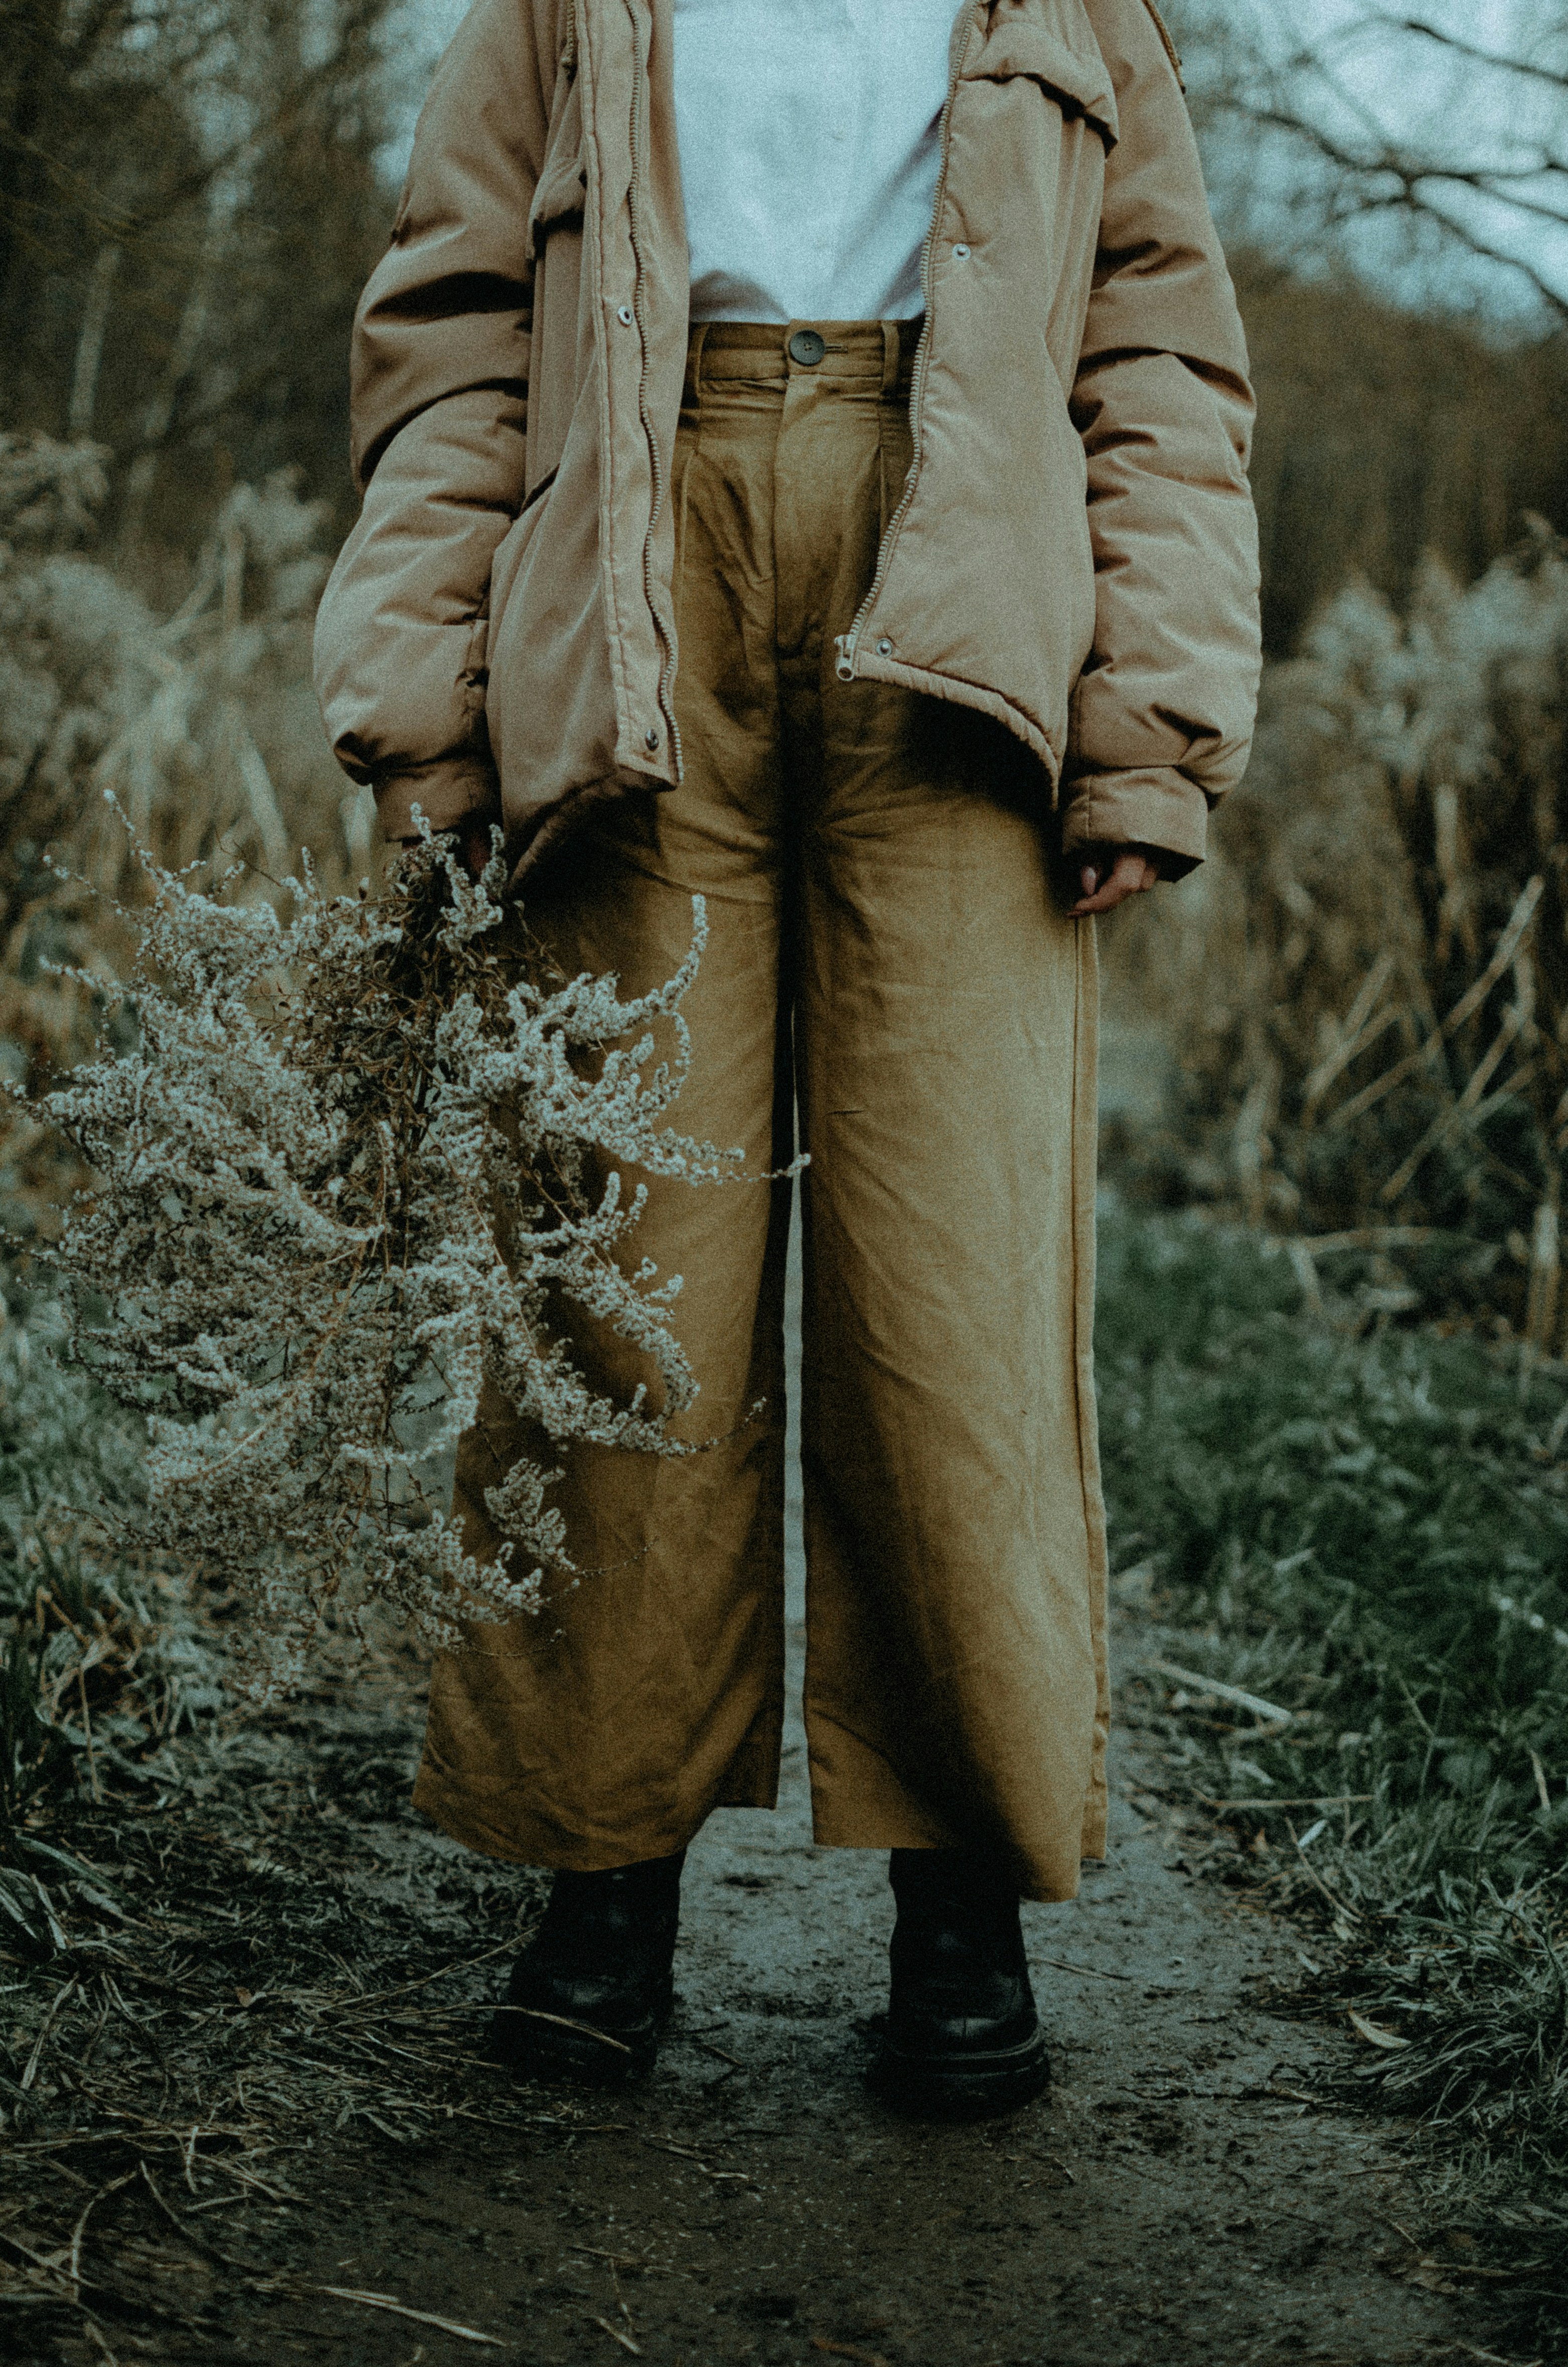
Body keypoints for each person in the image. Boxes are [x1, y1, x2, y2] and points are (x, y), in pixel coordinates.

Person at [315, 0, 1260, 2118]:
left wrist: (1150, 725)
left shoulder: (1071, 9)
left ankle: (955, 1904)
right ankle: (599, 1872)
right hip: (636, 583)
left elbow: (1160, 367)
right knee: (621, 1264)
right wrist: (428, 702)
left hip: (970, 601)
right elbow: (454, 336)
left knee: (953, 1287)